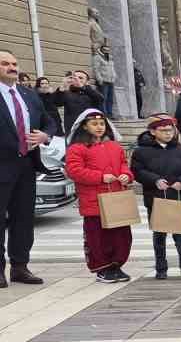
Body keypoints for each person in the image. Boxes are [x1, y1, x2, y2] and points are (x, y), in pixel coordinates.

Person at [62, 109, 132, 282]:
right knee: (98, 237)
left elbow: (123, 164)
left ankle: (117, 265)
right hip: (94, 201)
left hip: (116, 197)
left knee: (121, 235)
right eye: (94, 124)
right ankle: (102, 268)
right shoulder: (77, 148)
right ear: (85, 127)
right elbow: (74, 171)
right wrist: (100, 177)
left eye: (102, 124)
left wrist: (126, 175)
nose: (99, 127)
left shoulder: (114, 146)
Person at [0, 50, 51, 287]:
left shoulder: (28, 94)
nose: (12, 67)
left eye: (14, 63)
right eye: (5, 63)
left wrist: (45, 135)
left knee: (23, 219)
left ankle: (20, 267)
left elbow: (49, 121)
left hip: (26, 166)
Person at [130, 113, 181, 279]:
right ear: (153, 131)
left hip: (179, 197)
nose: (168, 133)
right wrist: (154, 180)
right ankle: (161, 267)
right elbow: (137, 171)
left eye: (170, 130)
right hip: (156, 198)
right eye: (163, 130)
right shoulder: (141, 151)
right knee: (159, 236)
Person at [92, 42, 116, 117]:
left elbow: (112, 68)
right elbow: (96, 69)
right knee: (103, 98)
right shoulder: (97, 57)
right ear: (101, 50)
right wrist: (99, 79)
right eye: (105, 50)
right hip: (103, 81)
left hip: (111, 81)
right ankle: (103, 114)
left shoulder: (110, 58)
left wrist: (114, 76)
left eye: (108, 50)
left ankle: (109, 114)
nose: (107, 51)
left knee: (110, 99)